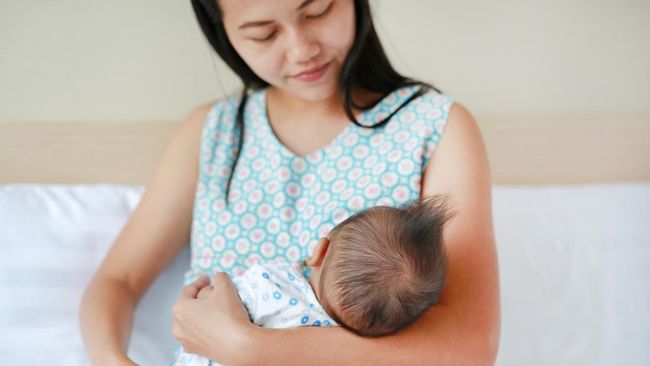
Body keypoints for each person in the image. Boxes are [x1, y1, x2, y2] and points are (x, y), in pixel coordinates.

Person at [80, 0, 500, 365]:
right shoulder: (213, 132)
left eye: (318, 10)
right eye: (263, 35)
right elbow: (119, 282)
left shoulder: (433, 126)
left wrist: (250, 349)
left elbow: (470, 349)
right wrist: (114, 361)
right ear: (223, 33)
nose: (302, 50)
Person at [173, 196, 451, 365]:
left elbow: (210, 308)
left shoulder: (271, 283)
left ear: (319, 251)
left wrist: (205, 293)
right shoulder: (337, 352)